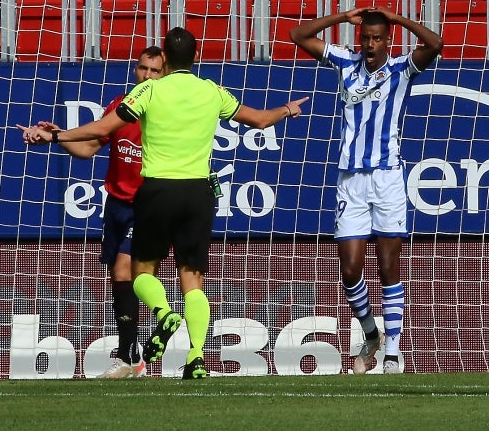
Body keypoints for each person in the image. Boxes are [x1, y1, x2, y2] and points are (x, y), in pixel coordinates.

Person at [19, 27, 309, 379]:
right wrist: (287, 108)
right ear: (196, 58)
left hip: (156, 192)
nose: (148, 73)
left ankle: (163, 315)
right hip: (198, 193)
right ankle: (197, 356)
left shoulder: (149, 92)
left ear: (166, 62)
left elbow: (102, 127)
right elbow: (261, 120)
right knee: (193, 277)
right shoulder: (211, 91)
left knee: (138, 272)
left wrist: (55, 134)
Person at [290, 7, 443, 375]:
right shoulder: (345, 62)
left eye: (377, 39)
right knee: (349, 269)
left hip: (388, 179)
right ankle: (371, 334)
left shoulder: (402, 69)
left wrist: (397, 18)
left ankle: (392, 355)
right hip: (351, 181)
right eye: (366, 38)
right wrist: (343, 17)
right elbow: (299, 35)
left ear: (388, 40)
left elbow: (435, 44)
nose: (370, 45)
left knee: (389, 266)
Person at [28, 46, 165, 379]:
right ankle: (132, 354)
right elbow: (88, 148)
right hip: (116, 204)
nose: (146, 75)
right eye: (142, 68)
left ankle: (133, 354)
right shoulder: (121, 106)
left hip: (148, 205)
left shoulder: (165, 112)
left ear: (165, 75)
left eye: (154, 71)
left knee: (124, 270)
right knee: (118, 278)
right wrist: (54, 138)